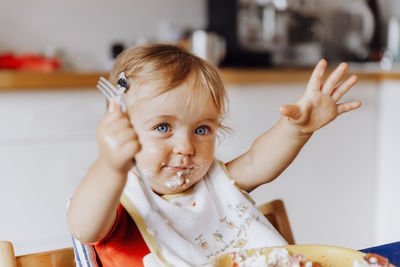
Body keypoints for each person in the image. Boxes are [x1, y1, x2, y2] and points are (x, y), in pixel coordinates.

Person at [66, 43, 361, 267]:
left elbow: (259, 162)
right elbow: (84, 227)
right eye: (163, 126)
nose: (186, 147)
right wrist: (110, 167)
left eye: (202, 129)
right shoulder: (119, 199)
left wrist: (297, 129)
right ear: (122, 130)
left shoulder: (213, 183)